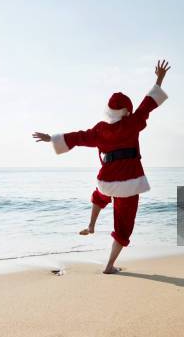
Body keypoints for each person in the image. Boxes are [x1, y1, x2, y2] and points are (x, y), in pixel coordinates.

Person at [32, 59, 171, 274]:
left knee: (100, 195)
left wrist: (52, 138)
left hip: (107, 181)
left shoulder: (100, 130)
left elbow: (78, 137)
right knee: (123, 225)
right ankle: (109, 266)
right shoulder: (132, 124)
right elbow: (147, 104)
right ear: (126, 110)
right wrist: (160, 78)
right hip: (130, 183)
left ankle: (91, 225)